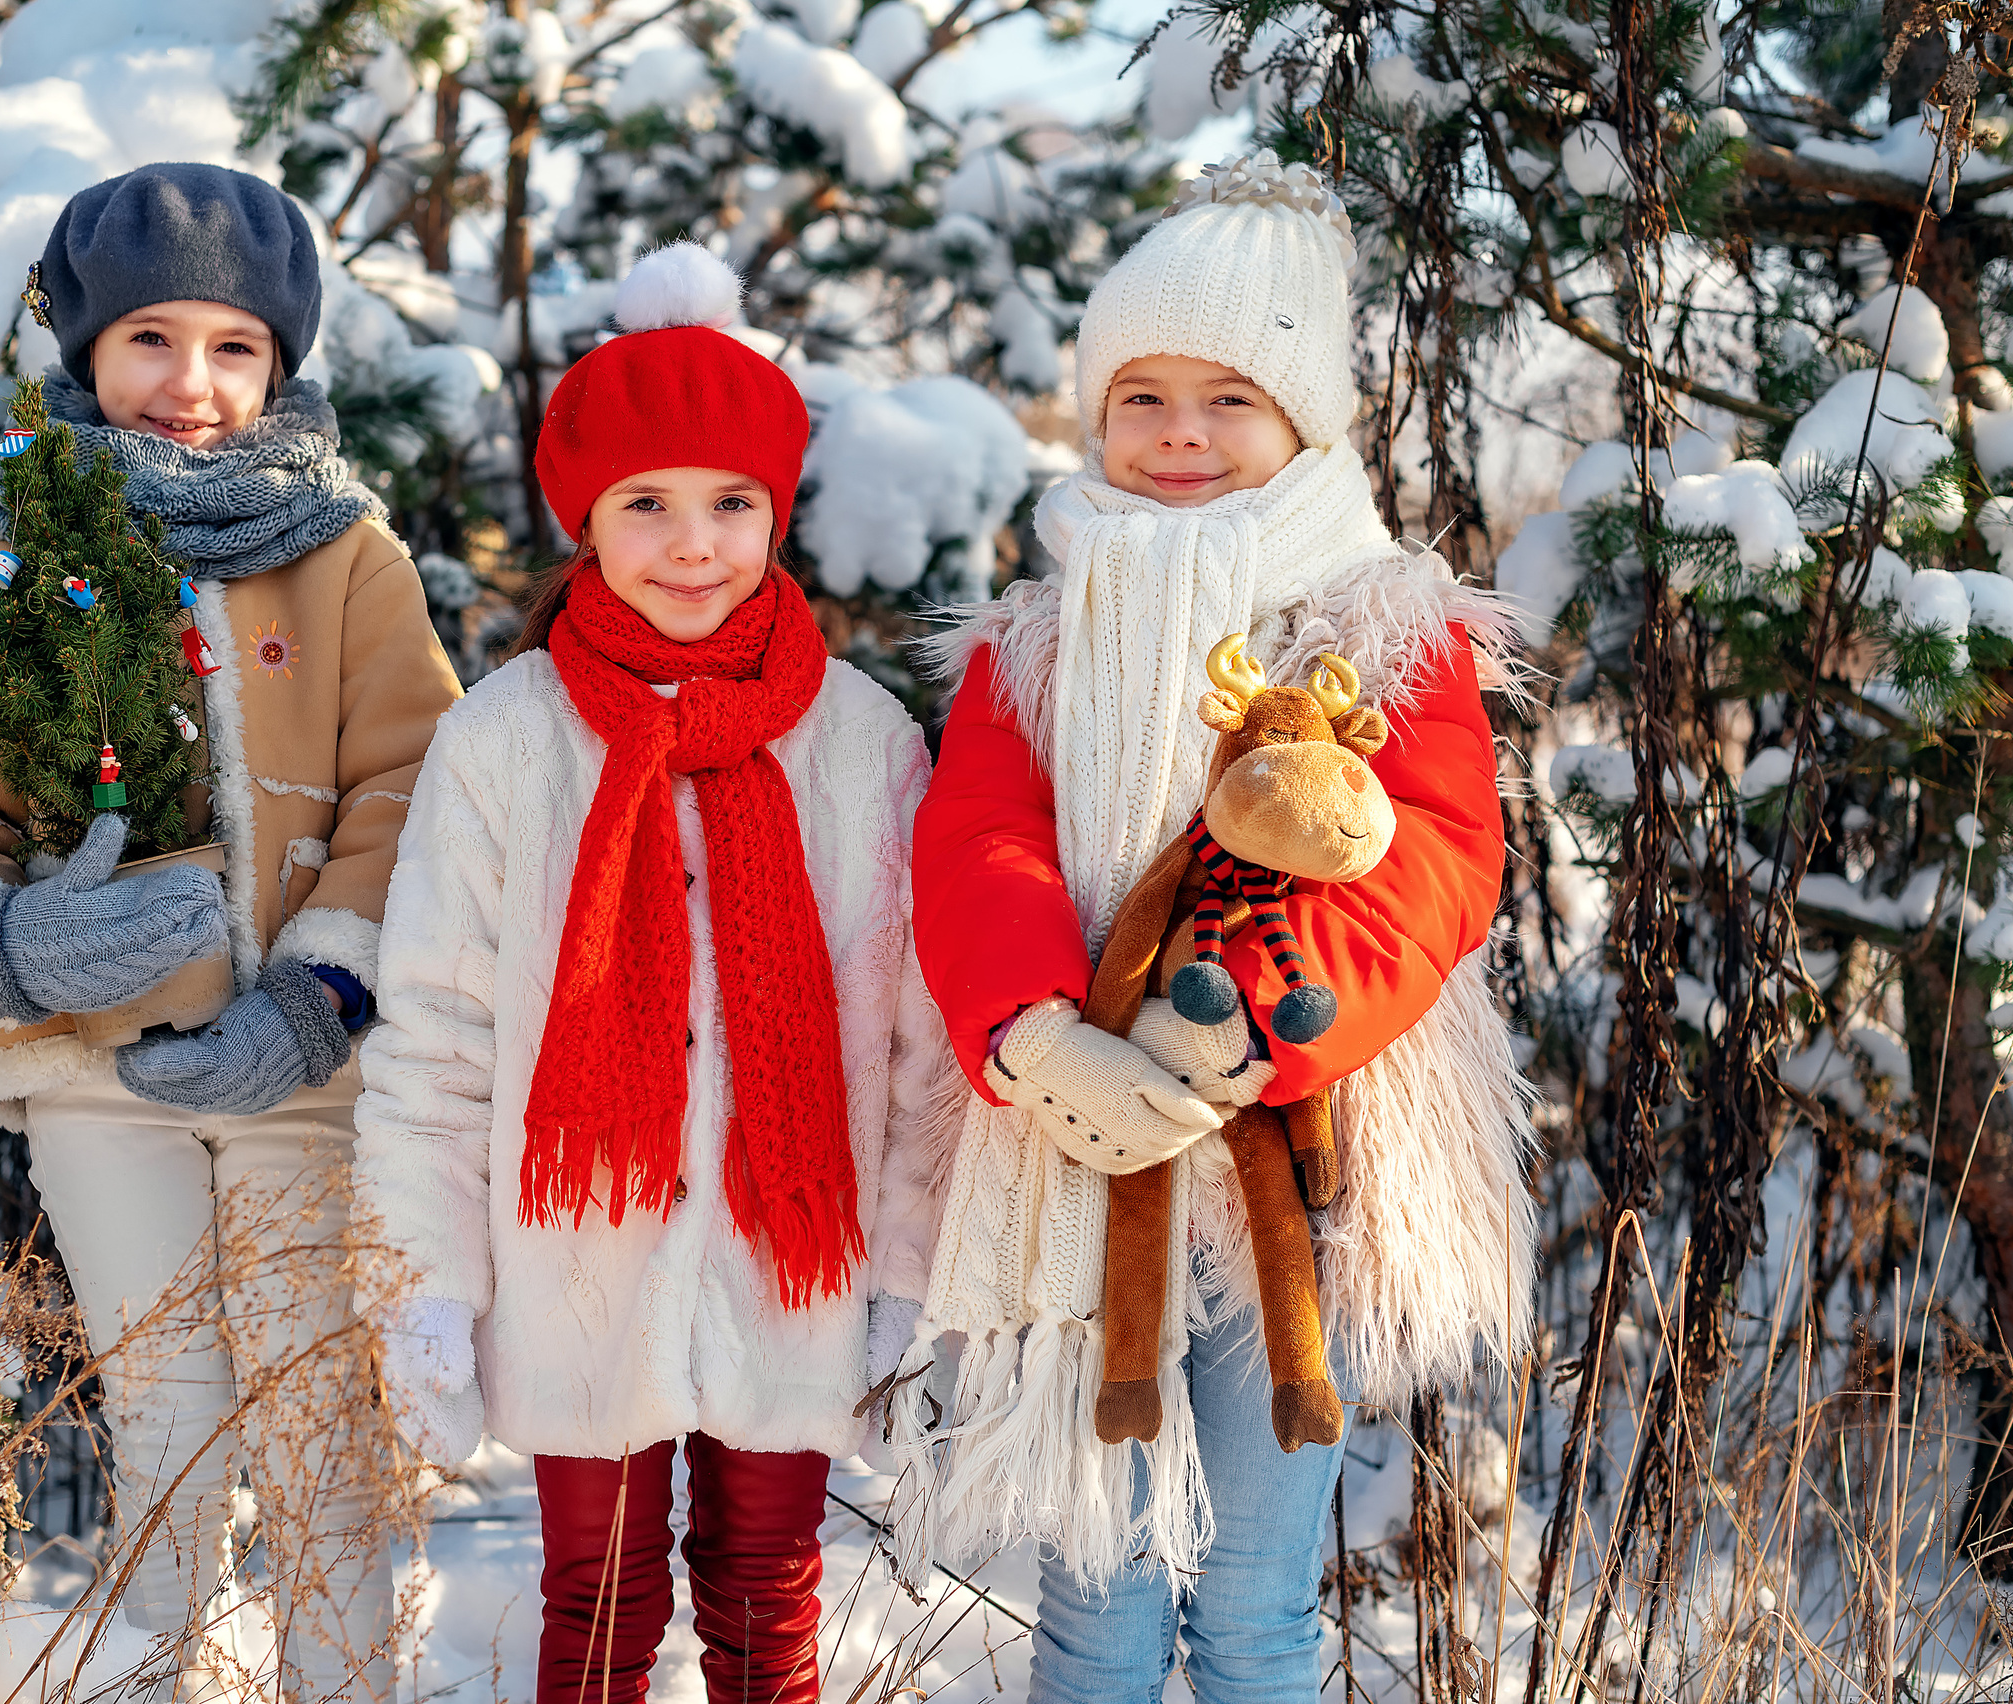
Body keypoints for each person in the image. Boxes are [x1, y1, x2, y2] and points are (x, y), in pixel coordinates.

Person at [892, 149, 1538, 1701]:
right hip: (1076, 1140)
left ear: (1304, 417)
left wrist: (1249, 1007)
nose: (1180, 432)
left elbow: (1433, 859)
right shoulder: (1037, 638)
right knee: (1096, 1614)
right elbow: (975, 838)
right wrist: (1038, 1034)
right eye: (1143, 397)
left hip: (1296, 1163)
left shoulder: (1387, 625)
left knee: (1252, 1608)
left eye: (1228, 398)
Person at [0, 162, 461, 1702]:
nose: (190, 384)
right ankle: (168, 1680)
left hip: (299, 1078)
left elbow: (417, 783)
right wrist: (1, 945)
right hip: (91, 1077)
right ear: (83, 350)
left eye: (232, 347)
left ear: (280, 362)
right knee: (170, 1420)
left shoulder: (344, 553)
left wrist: (322, 992)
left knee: (321, 1427)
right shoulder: (9, 553)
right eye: (148, 341)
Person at [351, 244, 956, 1704]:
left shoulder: (862, 742)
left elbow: (922, 1043)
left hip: (792, 1255)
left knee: (769, 1602)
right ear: (587, 522)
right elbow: (436, 1026)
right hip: (579, 1258)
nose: (695, 545)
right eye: (649, 506)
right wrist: (424, 1282)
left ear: (777, 511)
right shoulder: (506, 737)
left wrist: (906, 1270)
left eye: (732, 504)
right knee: (597, 1601)